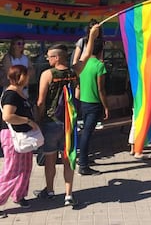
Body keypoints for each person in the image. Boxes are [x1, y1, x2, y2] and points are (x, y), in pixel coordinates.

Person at [34, 24, 100, 206]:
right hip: (69, 123)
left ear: (56, 57)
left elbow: (40, 101)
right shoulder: (73, 71)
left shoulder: (47, 74)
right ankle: (68, 194)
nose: (47, 59)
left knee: (49, 159)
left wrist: (37, 120)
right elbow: (86, 56)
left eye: (48, 56)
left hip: (51, 122)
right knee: (68, 158)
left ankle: (50, 190)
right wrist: (92, 37)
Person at [0, 65, 40, 218]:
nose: (29, 77)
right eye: (26, 74)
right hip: (12, 137)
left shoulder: (20, 93)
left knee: (26, 168)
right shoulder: (11, 94)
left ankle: (19, 195)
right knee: (12, 170)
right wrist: (28, 121)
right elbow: (7, 116)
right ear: (19, 76)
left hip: (24, 136)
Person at [77, 39, 109, 175]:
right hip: (94, 103)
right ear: (101, 51)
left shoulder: (82, 64)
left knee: (86, 132)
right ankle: (83, 165)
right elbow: (101, 89)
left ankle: (84, 159)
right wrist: (106, 106)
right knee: (87, 134)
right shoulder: (100, 66)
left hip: (84, 102)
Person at [72, 19, 104, 129]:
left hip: (93, 69)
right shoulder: (82, 41)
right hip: (81, 69)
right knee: (78, 93)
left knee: (95, 91)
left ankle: (93, 119)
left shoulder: (100, 42)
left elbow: (100, 58)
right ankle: (78, 118)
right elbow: (77, 59)